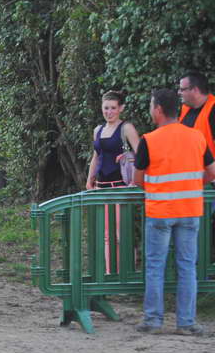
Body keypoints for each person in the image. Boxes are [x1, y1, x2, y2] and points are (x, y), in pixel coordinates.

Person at [133, 88, 215, 336]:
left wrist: (158, 189)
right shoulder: (197, 137)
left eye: (151, 106)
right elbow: (211, 173)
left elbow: (138, 179)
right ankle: (186, 323)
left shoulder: (149, 140)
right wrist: (192, 186)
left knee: (155, 266)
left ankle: (153, 320)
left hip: (160, 211)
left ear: (158, 110)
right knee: (187, 266)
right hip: (190, 209)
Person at [85, 91, 140, 274]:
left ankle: (127, 274)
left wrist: (134, 176)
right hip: (101, 186)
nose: (109, 112)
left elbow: (141, 154)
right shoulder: (97, 130)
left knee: (121, 233)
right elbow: (96, 157)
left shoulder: (126, 128)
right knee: (107, 235)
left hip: (120, 186)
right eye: (106, 108)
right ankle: (111, 274)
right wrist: (89, 179)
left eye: (113, 108)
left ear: (121, 108)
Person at [179, 72, 215, 154]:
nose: (179, 92)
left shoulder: (213, 109)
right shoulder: (185, 108)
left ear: (195, 90)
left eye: (182, 89)